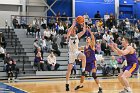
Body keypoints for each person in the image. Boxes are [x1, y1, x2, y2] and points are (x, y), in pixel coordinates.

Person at [78, 27, 102, 92]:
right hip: (86, 63)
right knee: (83, 74)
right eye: (86, 38)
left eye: (88, 38)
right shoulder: (84, 47)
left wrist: (90, 31)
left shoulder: (92, 45)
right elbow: (77, 48)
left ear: (90, 40)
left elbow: (93, 38)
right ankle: (80, 85)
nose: (87, 39)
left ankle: (100, 87)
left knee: (94, 75)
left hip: (92, 62)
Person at [65, 19, 86, 91]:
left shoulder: (77, 36)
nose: (73, 31)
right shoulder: (69, 36)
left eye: (74, 30)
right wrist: (73, 25)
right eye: (72, 30)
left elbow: (84, 31)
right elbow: (68, 32)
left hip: (76, 52)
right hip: (71, 54)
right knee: (69, 70)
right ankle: (67, 84)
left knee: (83, 56)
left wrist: (84, 24)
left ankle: (83, 70)